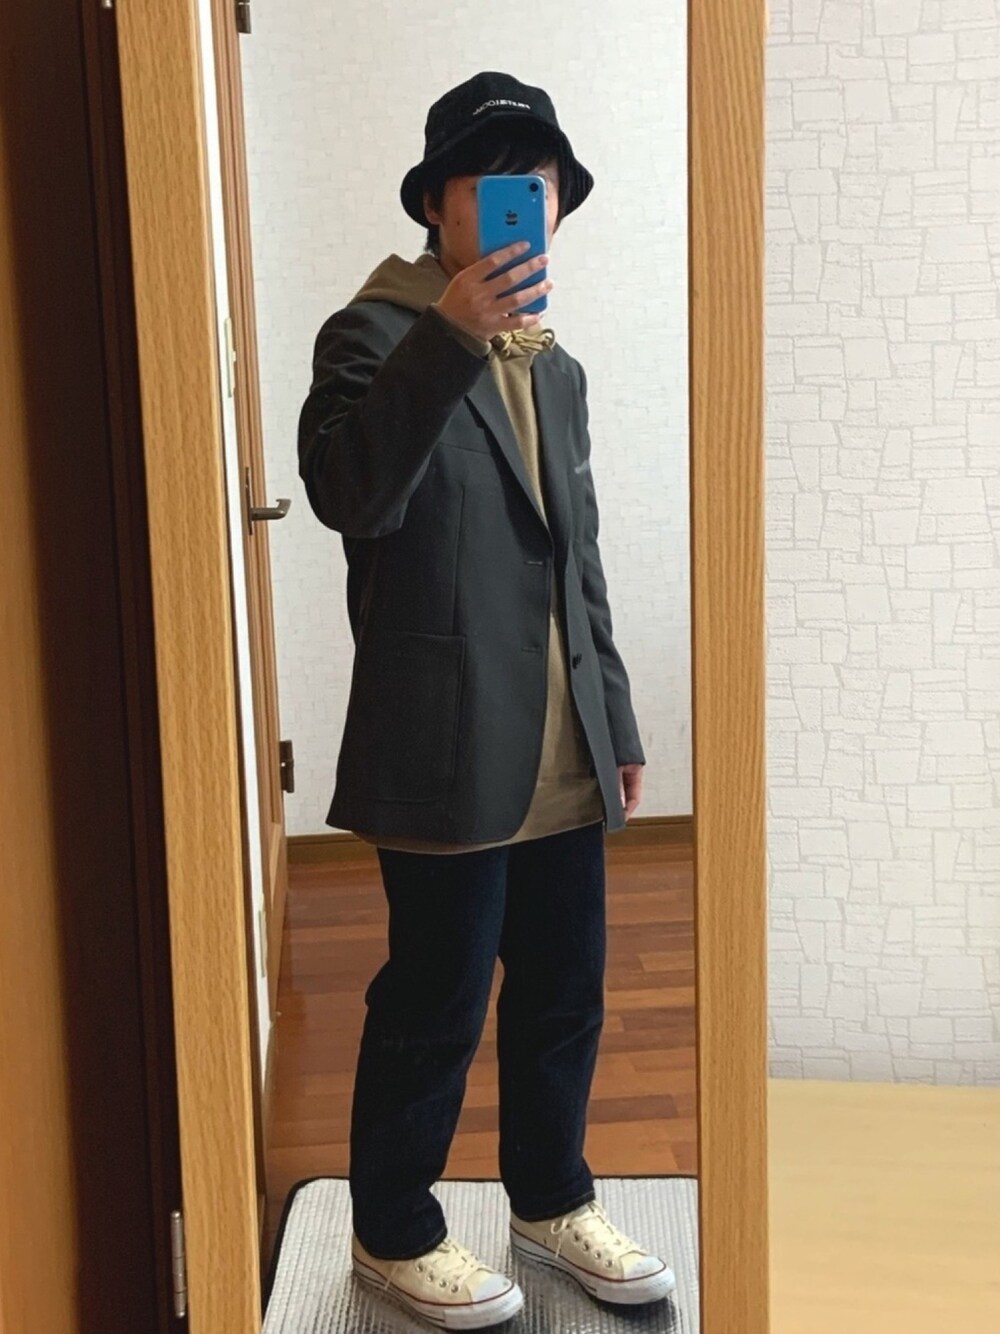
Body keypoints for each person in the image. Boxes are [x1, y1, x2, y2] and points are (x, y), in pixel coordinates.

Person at [297, 70, 675, 1330]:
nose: (528, 201)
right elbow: (352, 494)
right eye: (496, 180)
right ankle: (392, 1229)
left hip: (560, 732)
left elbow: (579, 558)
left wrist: (614, 718)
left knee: (566, 987)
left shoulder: (555, 368)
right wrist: (449, 336)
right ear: (437, 205)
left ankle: (550, 1197)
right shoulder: (370, 334)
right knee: (437, 996)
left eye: (543, 183)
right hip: (445, 738)